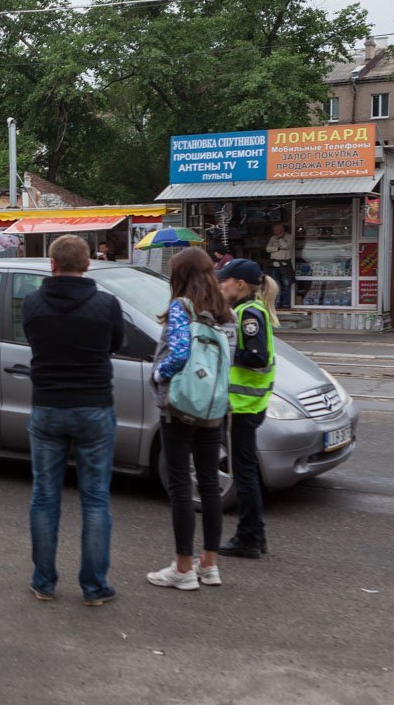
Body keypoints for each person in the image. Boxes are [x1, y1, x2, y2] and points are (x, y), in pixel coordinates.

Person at [22, 234, 124, 606]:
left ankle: (43, 582)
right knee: (96, 499)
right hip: (94, 407)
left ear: (52, 264)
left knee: (44, 497)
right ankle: (94, 588)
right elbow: (116, 343)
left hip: (47, 407)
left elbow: (33, 341)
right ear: (87, 264)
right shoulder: (107, 304)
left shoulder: (32, 303)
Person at [147, 247, 234, 591]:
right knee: (210, 484)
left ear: (179, 276)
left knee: (182, 484)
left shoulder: (181, 308)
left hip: (180, 407)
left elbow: (179, 352)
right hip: (214, 408)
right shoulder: (226, 313)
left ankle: (183, 568)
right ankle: (209, 565)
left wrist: (158, 374)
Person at [217, 259, 279, 559]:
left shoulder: (248, 313)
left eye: (224, 281)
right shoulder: (246, 311)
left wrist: (223, 351)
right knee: (245, 471)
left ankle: (249, 538)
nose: (220, 286)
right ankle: (257, 534)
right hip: (249, 404)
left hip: (245, 405)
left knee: (243, 474)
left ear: (240, 284)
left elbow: (257, 357)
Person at [265, 224, 294, 308]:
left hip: (284, 264)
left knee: (286, 284)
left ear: (282, 230)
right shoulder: (272, 237)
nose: (275, 232)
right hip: (274, 264)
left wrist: (280, 239)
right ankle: (277, 303)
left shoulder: (289, 237)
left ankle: (285, 304)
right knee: (276, 285)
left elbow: (286, 246)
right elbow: (268, 249)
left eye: (277, 230)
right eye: (274, 230)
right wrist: (278, 248)